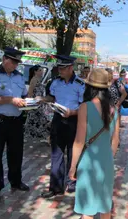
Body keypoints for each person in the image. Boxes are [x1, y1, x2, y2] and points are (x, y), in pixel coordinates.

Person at [68, 68, 120, 219]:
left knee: (87, 209)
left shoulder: (85, 107)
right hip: (106, 162)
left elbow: (79, 140)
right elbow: (115, 140)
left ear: (89, 87)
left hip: (88, 162)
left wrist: (72, 166)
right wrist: (107, 157)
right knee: (105, 206)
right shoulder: (114, 109)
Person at [0, 47, 29, 204]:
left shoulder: (20, 77)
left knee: (16, 154)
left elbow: (22, 97)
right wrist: (10, 100)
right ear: (4, 59)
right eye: (13, 62)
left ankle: (16, 181)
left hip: (15, 121)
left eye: (17, 62)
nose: (15, 65)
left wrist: (29, 102)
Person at [38, 55, 85, 198]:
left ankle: (72, 182)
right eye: (59, 68)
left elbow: (84, 107)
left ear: (70, 68)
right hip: (58, 120)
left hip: (74, 120)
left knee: (73, 152)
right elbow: (52, 97)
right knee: (56, 154)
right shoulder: (55, 82)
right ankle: (55, 187)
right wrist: (42, 99)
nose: (60, 70)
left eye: (63, 68)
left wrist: (72, 112)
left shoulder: (80, 84)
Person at [24, 65, 51, 143]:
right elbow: (30, 93)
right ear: (35, 72)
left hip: (41, 104)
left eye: (42, 70)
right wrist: (28, 105)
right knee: (41, 121)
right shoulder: (34, 80)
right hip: (35, 105)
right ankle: (46, 137)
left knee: (42, 121)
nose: (42, 72)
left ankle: (46, 137)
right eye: (40, 70)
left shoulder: (39, 80)